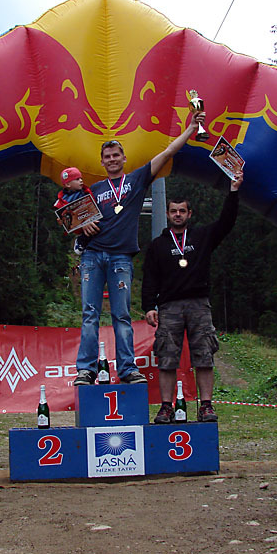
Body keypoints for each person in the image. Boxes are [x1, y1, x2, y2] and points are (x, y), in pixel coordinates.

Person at [73, 111, 207, 386]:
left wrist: (191, 128)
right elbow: (72, 218)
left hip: (121, 258)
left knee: (121, 315)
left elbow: (167, 152)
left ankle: (127, 369)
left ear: (124, 158)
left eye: (116, 155)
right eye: (107, 156)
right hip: (92, 256)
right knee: (89, 315)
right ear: (102, 161)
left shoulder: (136, 180)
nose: (112, 159)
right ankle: (86, 370)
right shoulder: (93, 189)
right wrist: (82, 225)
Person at [142, 169, 243, 422]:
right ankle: (167, 407)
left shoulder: (203, 237)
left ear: (189, 214)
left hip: (199, 304)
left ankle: (206, 405)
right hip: (169, 307)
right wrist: (149, 306)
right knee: (166, 359)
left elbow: (227, 222)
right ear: (167, 214)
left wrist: (233, 192)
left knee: (204, 356)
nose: (177, 214)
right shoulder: (158, 245)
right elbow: (150, 278)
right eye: (173, 211)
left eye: (182, 211)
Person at [54, 167, 91, 255]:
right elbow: (61, 215)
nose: (81, 181)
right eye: (77, 179)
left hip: (91, 218)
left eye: (81, 178)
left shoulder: (86, 191)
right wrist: (61, 221)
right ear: (68, 184)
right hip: (78, 225)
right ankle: (81, 241)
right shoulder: (62, 201)